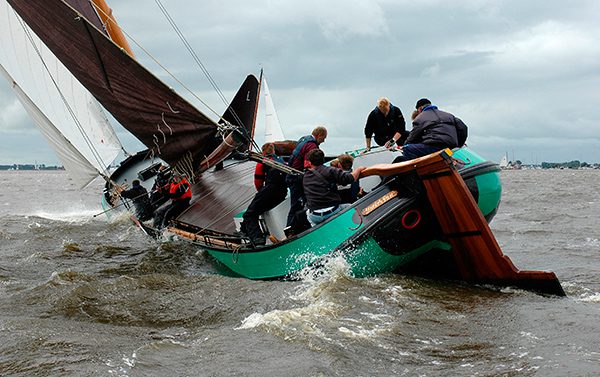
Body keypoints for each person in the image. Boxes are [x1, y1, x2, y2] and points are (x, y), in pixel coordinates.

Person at [240, 143, 288, 246]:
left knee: (250, 214)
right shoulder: (281, 161)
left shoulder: (261, 163)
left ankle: (257, 238)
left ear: (264, 152)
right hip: (282, 193)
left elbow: (258, 183)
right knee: (257, 208)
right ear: (273, 151)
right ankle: (243, 230)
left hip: (269, 191)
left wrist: (261, 194)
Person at [394, 98, 468, 162]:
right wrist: (458, 144)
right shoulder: (449, 115)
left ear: (419, 109)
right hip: (451, 146)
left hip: (435, 146)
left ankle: (419, 173)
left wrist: (403, 147)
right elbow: (463, 128)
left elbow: (412, 138)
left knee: (407, 148)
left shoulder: (420, 118)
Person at [303, 149, 364, 226]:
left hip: (315, 216)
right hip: (333, 211)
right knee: (351, 207)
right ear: (323, 159)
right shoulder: (330, 171)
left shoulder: (305, 176)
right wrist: (359, 169)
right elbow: (351, 178)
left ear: (310, 162)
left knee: (308, 214)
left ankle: (317, 230)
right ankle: (357, 226)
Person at [285, 126, 328, 229]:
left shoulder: (303, 140)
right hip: (298, 179)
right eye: (324, 138)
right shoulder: (311, 146)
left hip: (292, 177)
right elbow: (309, 165)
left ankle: (296, 229)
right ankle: (290, 231)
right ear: (319, 135)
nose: (324, 141)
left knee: (298, 204)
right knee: (298, 205)